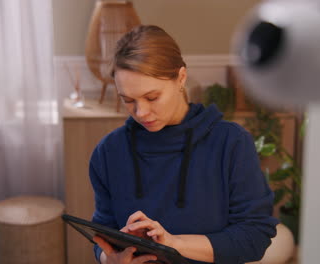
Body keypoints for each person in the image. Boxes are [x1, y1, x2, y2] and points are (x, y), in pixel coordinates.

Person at [89, 25, 278, 264]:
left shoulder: (231, 143)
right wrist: (109, 259)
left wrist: (172, 244)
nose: (141, 112)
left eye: (152, 97)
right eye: (128, 100)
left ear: (181, 78)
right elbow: (103, 232)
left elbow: (254, 237)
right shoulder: (108, 152)